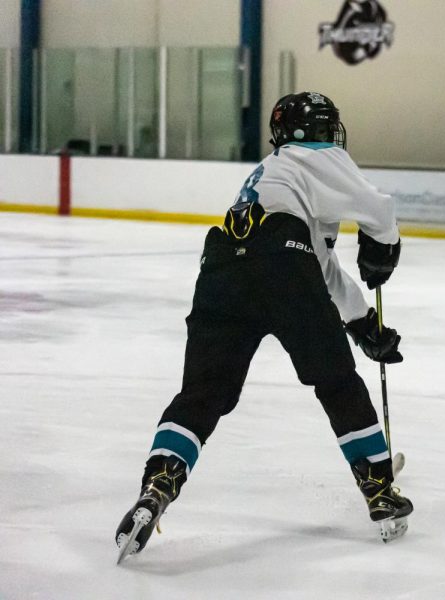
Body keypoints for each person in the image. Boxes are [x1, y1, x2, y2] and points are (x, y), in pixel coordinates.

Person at [116, 91, 412, 561]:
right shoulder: (320, 156)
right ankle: (378, 490)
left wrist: (361, 322)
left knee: (202, 394)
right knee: (335, 381)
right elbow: (379, 211)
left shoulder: (270, 172)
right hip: (283, 266)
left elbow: (320, 262)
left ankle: (157, 485)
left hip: (221, 269)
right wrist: (384, 250)